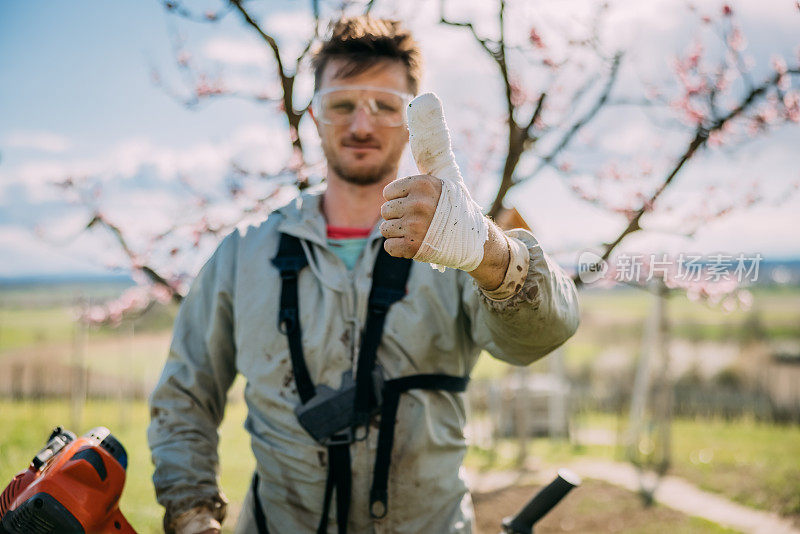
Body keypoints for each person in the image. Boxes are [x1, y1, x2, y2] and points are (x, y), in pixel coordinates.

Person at [148, 15, 580, 534]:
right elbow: (185, 396)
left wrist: (490, 254)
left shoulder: (461, 242)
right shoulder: (243, 255)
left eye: (384, 106)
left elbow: (545, 335)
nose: (360, 125)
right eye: (342, 105)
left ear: (411, 116)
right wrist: (192, 512)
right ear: (315, 116)